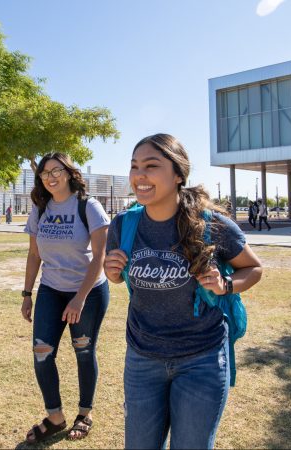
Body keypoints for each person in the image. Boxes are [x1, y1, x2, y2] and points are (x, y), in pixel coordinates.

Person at [103, 134, 263, 449]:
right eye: (134, 166)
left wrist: (224, 284)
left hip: (201, 359)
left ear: (178, 174)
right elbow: (122, 278)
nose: (139, 175)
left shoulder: (211, 224)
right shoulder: (122, 225)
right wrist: (113, 273)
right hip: (142, 357)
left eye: (151, 166)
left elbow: (254, 268)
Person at [21, 153, 111, 444]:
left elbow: (100, 256)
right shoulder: (40, 208)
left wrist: (80, 298)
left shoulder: (89, 206)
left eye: (56, 170)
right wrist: (27, 294)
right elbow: (34, 255)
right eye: (45, 173)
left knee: (83, 350)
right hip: (51, 289)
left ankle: (85, 413)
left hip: (88, 291)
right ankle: (55, 417)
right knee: (42, 353)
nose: (50, 177)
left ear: (69, 173)